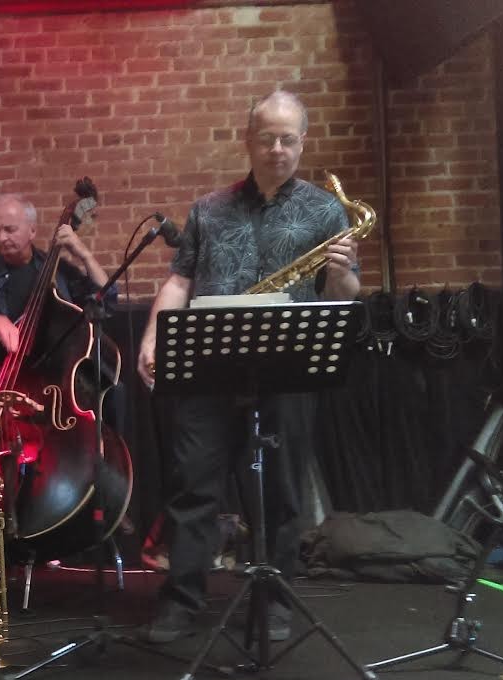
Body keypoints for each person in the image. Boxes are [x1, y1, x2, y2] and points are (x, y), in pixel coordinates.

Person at [135, 90, 361, 643]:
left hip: (287, 368)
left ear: (302, 143)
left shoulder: (326, 211)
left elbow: (344, 296)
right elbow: (180, 281)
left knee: (280, 495)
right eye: (267, 138)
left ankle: (274, 602)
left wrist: (342, 274)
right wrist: (153, 336)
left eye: (288, 139)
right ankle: (181, 601)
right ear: (248, 141)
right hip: (210, 366)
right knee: (194, 487)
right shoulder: (208, 210)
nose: (277, 149)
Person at [0, 193, 115, 353]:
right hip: (8, 367)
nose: (1, 238)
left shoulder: (58, 269)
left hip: (60, 364)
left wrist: (85, 255)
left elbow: (105, 300)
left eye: (9, 229)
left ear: (32, 231)